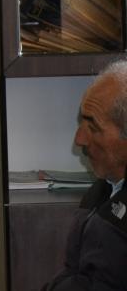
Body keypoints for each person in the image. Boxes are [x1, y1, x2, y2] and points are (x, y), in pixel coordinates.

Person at [46, 63, 127, 290]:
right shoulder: (101, 191)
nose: (79, 139)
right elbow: (75, 273)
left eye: (93, 127)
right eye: (81, 122)